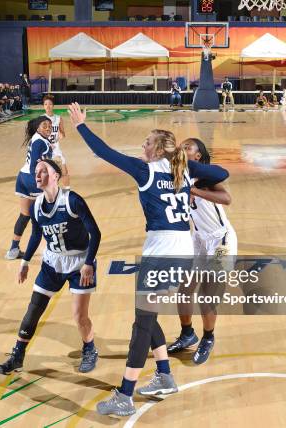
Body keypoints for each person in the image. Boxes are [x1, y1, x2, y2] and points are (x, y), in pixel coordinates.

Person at [68, 102, 229, 416]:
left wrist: (80, 126)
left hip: (161, 253)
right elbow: (221, 173)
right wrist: (189, 165)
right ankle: (164, 376)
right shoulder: (182, 169)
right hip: (182, 251)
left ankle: (125, 394)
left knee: (141, 323)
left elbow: (104, 152)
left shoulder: (146, 169)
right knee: (148, 315)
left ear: (156, 149)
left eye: (146, 142)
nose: (142, 146)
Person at [0, 159, 101, 374]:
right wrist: (25, 262)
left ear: (55, 176)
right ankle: (17, 355)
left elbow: (95, 233)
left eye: (43, 170)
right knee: (33, 309)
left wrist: (89, 263)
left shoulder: (72, 200)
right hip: (52, 262)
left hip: (79, 262)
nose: (38, 174)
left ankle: (90, 349)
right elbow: (36, 235)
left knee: (79, 316)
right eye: (36, 171)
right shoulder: (36, 206)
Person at [167, 138, 236, 365]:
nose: (183, 149)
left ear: (198, 156)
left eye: (189, 147)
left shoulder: (206, 178)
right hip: (198, 239)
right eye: (182, 146)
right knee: (184, 289)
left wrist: (195, 190)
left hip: (220, 240)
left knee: (207, 296)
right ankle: (187, 333)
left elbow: (227, 199)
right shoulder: (178, 176)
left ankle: (208, 338)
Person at [5, 116, 53, 260]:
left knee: (25, 215)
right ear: (38, 127)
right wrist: (40, 183)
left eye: (50, 126)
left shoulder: (37, 138)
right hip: (32, 178)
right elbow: (34, 165)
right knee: (44, 215)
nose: (48, 128)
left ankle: (13, 249)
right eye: (45, 125)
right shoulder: (39, 141)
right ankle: (54, 248)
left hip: (22, 177)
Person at [43, 94, 70, 188]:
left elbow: (63, 134)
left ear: (53, 106)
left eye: (50, 104)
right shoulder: (41, 119)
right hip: (45, 150)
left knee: (64, 171)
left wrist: (61, 135)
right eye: (45, 104)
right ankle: (49, 193)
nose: (48, 106)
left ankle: (67, 192)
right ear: (43, 106)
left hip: (56, 149)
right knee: (47, 174)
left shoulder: (58, 118)